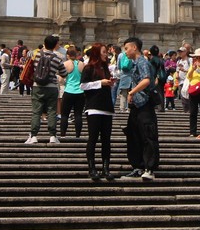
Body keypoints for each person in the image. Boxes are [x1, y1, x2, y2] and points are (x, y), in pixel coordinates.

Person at [121, 36, 158, 180]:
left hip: (144, 104)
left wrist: (131, 92)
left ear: (134, 47)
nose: (125, 52)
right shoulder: (134, 63)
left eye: (126, 48)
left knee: (147, 135)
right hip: (137, 105)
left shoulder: (142, 62)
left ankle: (149, 168)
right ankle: (138, 166)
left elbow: (147, 80)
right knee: (134, 135)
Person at [81, 43, 115, 180]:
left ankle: (105, 169)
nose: (106, 54)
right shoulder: (88, 68)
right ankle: (92, 168)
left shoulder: (106, 68)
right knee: (93, 139)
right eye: (104, 52)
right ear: (96, 53)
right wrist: (100, 83)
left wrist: (110, 83)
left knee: (106, 140)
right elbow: (83, 85)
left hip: (107, 107)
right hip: (94, 107)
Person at [27, 35, 67, 144]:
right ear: (55, 46)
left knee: (36, 112)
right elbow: (64, 73)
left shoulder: (36, 55)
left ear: (44, 43)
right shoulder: (57, 58)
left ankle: (34, 136)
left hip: (37, 86)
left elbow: (29, 67)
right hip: (52, 87)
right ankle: (53, 136)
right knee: (52, 112)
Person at [61, 45, 85, 139]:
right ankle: (78, 135)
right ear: (76, 54)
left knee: (64, 115)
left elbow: (61, 79)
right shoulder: (82, 64)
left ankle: (63, 134)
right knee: (78, 114)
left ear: (68, 54)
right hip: (80, 92)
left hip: (68, 91)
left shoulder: (65, 64)